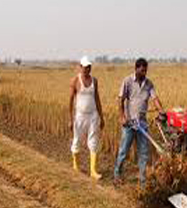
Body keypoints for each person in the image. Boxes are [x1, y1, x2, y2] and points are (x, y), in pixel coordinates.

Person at [114, 58, 164, 187]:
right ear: (136, 69)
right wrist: (122, 117)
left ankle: (142, 181)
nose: (144, 73)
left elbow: (155, 98)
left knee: (143, 152)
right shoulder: (127, 81)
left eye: (145, 70)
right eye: (142, 70)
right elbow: (120, 100)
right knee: (124, 151)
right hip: (129, 124)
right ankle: (117, 174)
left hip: (142, 123)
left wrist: (161, 110)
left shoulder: (149, 84)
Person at [69, 57, 105, 180]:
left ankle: (93, 171)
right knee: (77, 140)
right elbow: (70, 100)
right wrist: (70, 119)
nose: (87, 69)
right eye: (85, 67)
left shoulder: (94, 80)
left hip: (93, 115)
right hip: (80, 116)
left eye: (89, 67)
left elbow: (97, 99)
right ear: (80, 67)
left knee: (93, 141)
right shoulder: (75, 80)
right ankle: (76, 167)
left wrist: (102, 117)